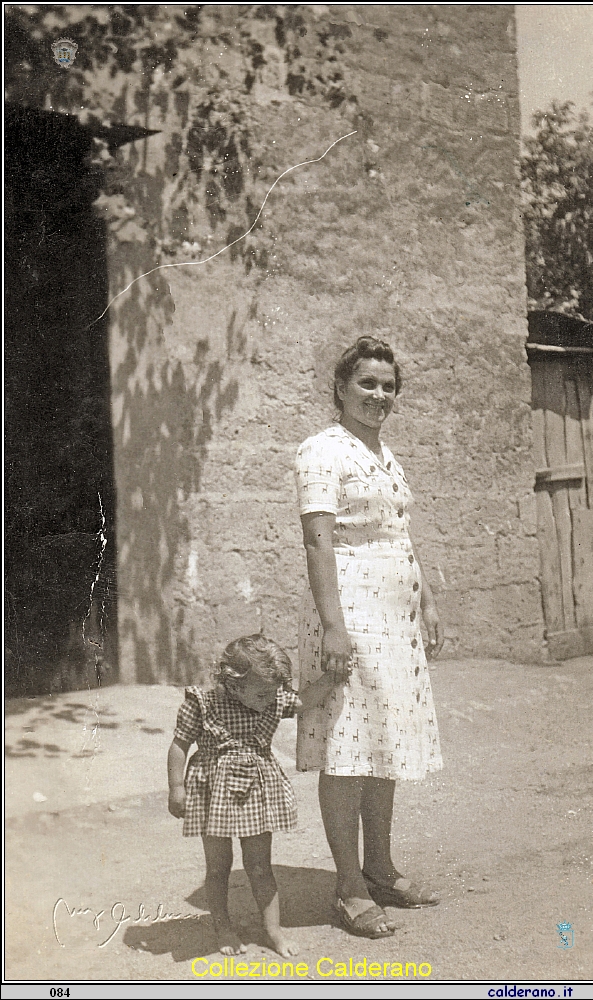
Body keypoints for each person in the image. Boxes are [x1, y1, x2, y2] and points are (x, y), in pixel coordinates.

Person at [294, 336, 444, 940]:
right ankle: (349, 886)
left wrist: (427, 600)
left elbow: (401, 536)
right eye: (367, 383)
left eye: (388, 385)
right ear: (340, 387)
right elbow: (317, 542)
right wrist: (333, 625)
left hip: (395, 612)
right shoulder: (320, 452)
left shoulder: (385, 454)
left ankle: (380, 868)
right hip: (348, 608)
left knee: (383, 740)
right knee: (347, 746)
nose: (379, 395)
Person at [167, 633, 343, 957]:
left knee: (260, 865)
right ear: (233, 684)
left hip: (256, 793)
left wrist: (332, 678)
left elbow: (304, 700)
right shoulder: (203, 704)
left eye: (273, 692)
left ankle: (273, 930)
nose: (270, 699)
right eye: (262, 692)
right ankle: (223, 926)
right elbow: (179, 744)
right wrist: (176, 788)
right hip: (212, 794)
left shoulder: (272, 698)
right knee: (219, 866)